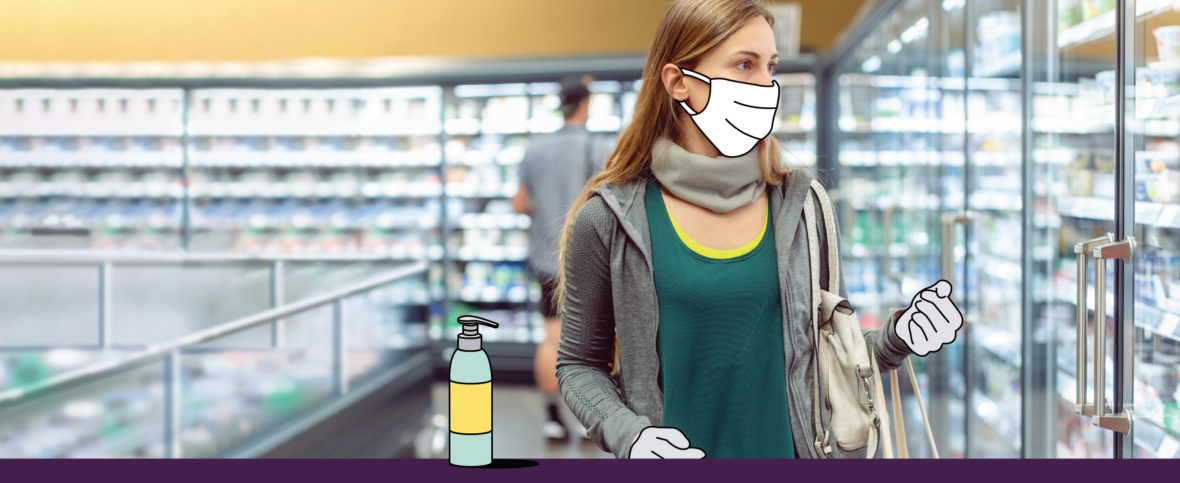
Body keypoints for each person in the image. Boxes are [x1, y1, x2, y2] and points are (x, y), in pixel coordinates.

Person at [553, 0, 963, 459]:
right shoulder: (610, 220)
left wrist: (900, 336)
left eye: (770, 67)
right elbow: (578, 364)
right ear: (678, 82)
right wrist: (630, 435)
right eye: (744, 65)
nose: (764, 86)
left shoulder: (804, 208)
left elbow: (834, 352)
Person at [513, 74, 614, 441]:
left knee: (552, 340)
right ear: (586, 104)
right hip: (590, 262)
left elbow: (520, 203)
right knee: (598, 342)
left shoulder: (535, 149)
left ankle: (553, 419)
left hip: (546, 262)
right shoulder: (601, 146)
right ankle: (593, 421)